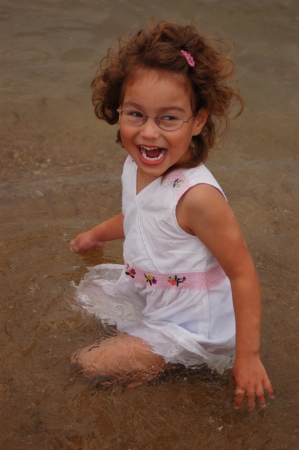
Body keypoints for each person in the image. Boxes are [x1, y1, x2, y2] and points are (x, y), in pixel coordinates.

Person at [70, 20, 274, 409]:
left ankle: (181, 365)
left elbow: (243, 272)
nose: (149, 134)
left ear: (197, 120)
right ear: (118, 110)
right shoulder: (136, 166)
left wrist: (248, 358)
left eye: (168, 118)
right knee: (85, 295)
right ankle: (146, 349)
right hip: (152, 289)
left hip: (192, 323)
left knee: (88, 366)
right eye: (136, 115)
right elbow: (138, 216)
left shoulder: (197, 198)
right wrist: (96, 235)